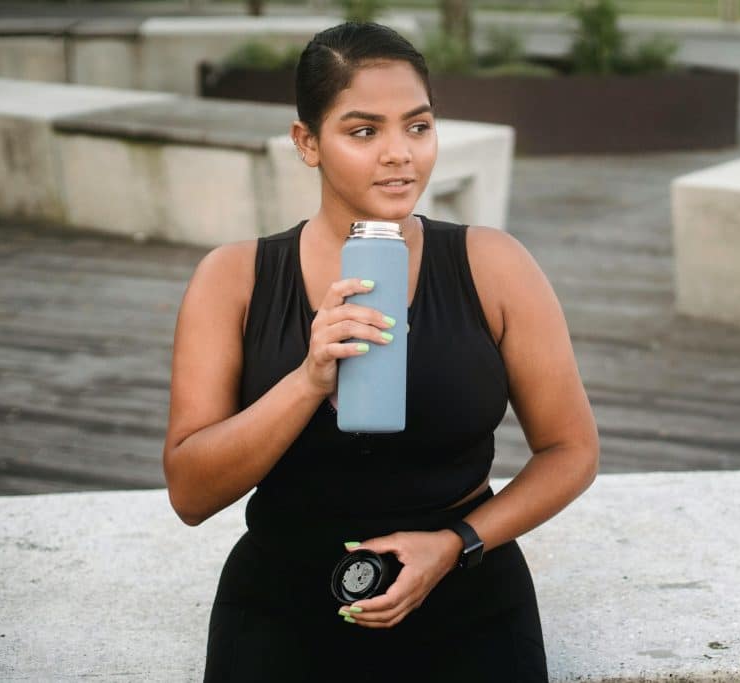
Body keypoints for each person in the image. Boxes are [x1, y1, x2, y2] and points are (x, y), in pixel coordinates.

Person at [162, 21, 599, 682]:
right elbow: (190, 493)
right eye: (364, 131)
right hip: (283, 601)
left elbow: (572, 449)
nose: (400, 154)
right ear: (307, 142)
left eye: (418, 126)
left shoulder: (495, 265)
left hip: (467, 590)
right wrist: (307, 381)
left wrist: (457, 543)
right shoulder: (233, 279)